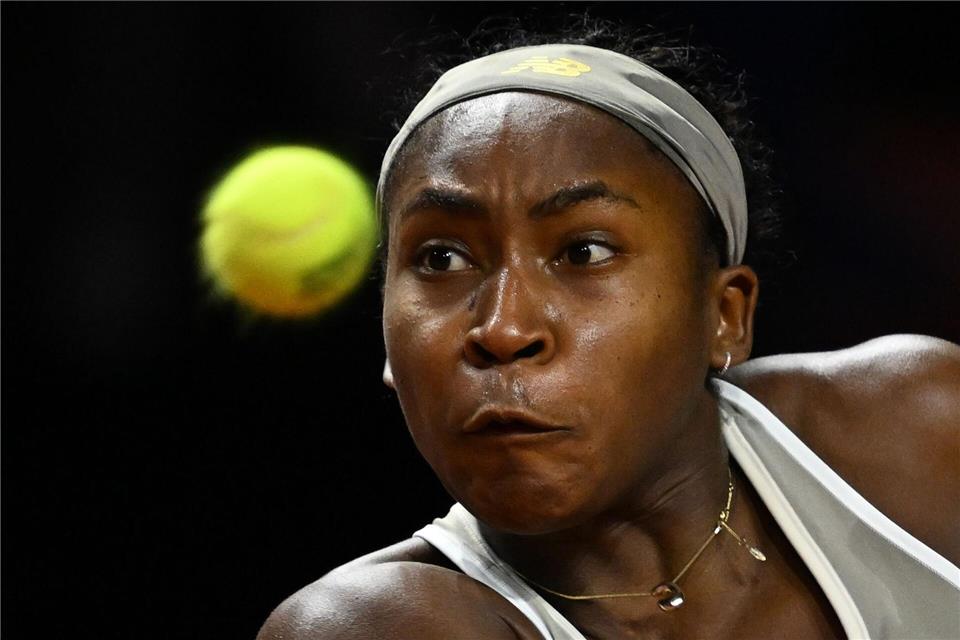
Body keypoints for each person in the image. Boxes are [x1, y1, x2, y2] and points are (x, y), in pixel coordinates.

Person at [257, 22, 960, 640]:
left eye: (583, 251)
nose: (502, 329)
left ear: (725, 315)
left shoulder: (919, 426)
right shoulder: (373, 625)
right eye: (441, 259)